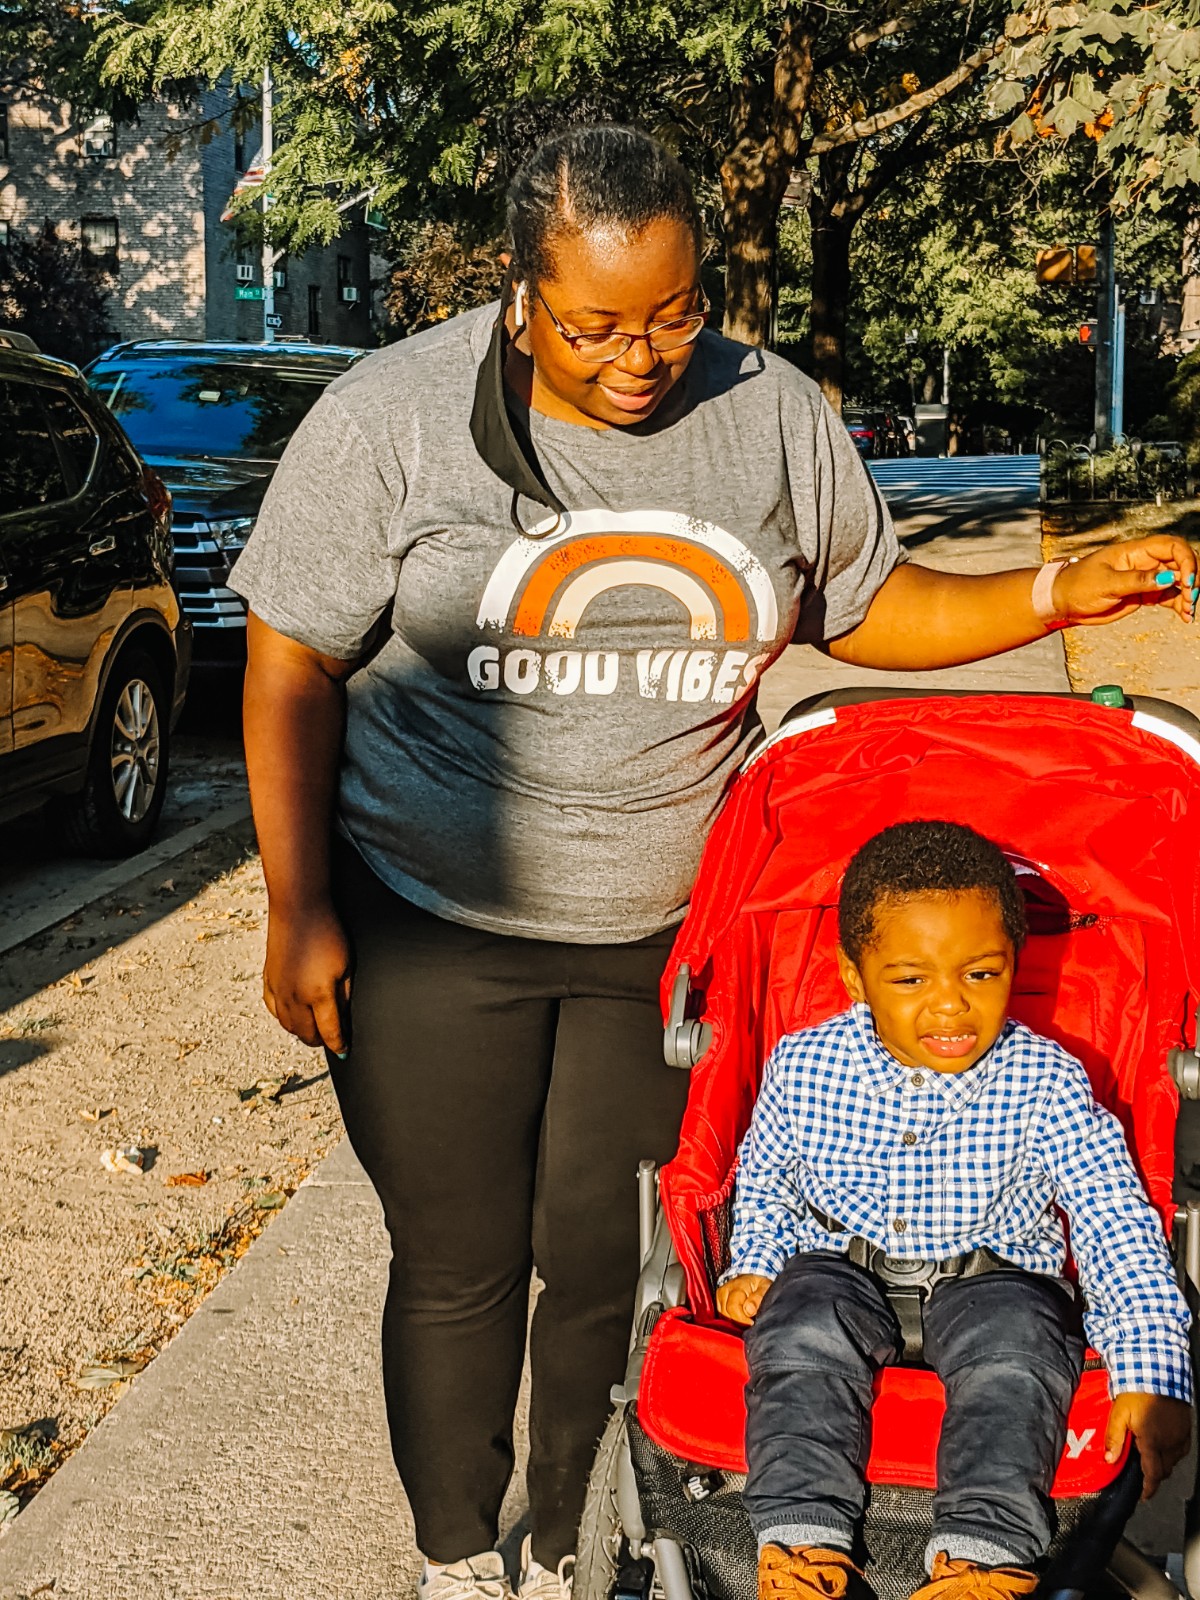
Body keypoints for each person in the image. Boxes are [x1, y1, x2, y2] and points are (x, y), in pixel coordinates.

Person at [229, 121, 1197, 1600]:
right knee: (458, 1258)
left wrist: (1059, 585)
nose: (641, 355)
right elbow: (291, 655)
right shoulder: (392, 417)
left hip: (667, 930)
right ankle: (455, 1564)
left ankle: (564, 1544)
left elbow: (867, 606)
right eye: (595, 322)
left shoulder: (773, 412)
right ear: (518, 292)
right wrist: (299, 903)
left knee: (604, 1261)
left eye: (674, 312)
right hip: (429, 914)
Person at [717, 821, 1193, 1600]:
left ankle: (981, 1556)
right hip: (841, 1267)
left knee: (1019, 1351)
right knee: (797, 1331)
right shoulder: (804, 1064)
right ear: (854, 974)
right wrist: (758, 1262)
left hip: (993, 1278)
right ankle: (802, 1552)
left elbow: (1112, 1219)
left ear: (1016, 964)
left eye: (981, 974)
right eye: (910, 980)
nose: (950, 1006)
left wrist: (1151, 1367)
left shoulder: (1044, 1080)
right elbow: (768, 1179)